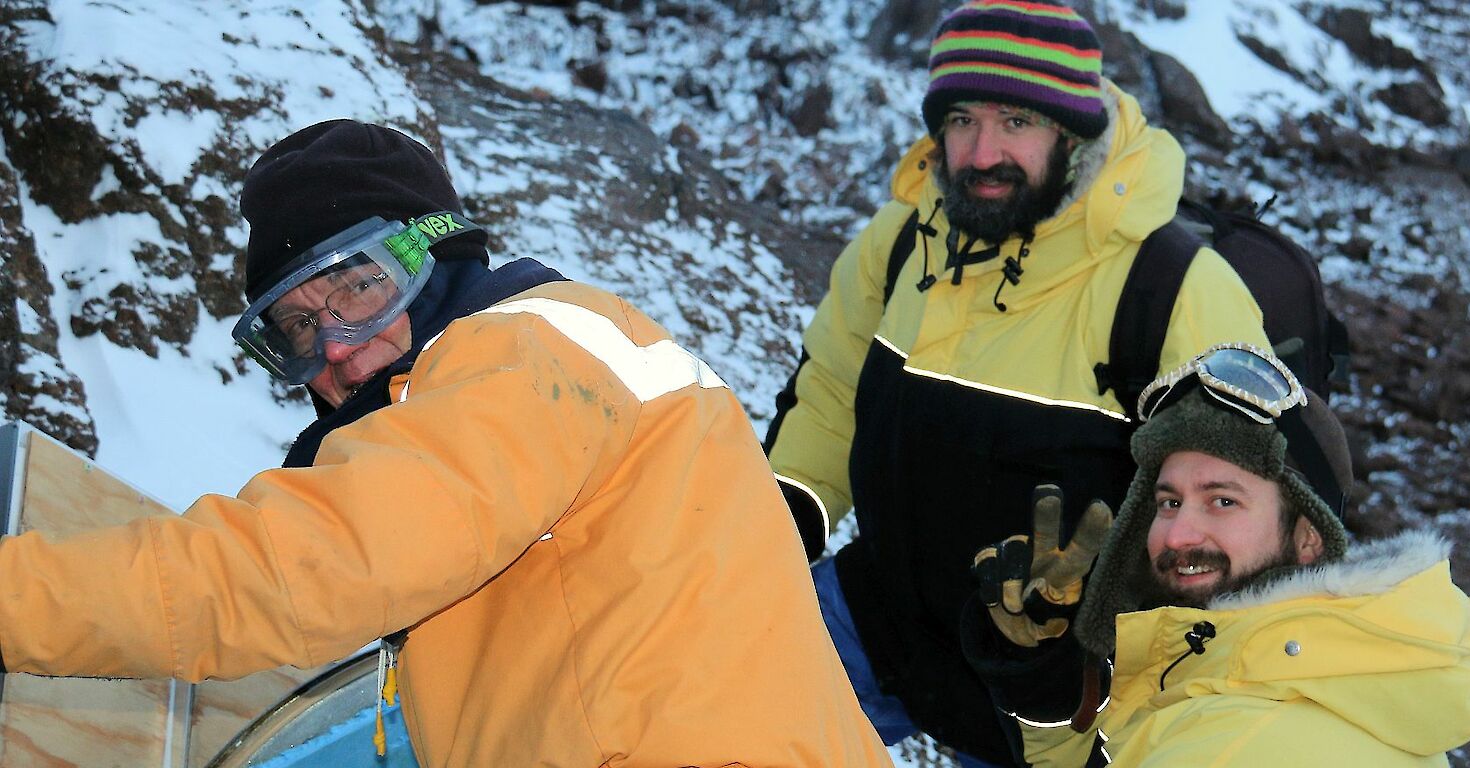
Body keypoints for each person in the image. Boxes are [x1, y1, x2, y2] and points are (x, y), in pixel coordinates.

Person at [0, 120, 890, 768]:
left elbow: (299, 567)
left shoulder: (520, 352)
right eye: (296, 331)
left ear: (440, 252)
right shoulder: (568, 366)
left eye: (358, 288)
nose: (337, 347)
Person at [761, 1, 1270, 763]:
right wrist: (789, 509)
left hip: (1041, 686)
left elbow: (1238, 528)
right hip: (881, 611)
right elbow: (833, 385)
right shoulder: (903, 239)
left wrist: (1080, 668)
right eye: (961, 119)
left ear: (1073, 133)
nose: (980, 152)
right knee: (710, 699)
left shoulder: (1172, 289)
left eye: (1015, 122)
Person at [964, 344, 1470, 766]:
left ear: (1308, 535)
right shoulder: (1364, 675)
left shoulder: (1225, 742)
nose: (1178, 534)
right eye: (1168, 501)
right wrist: (1047, 688)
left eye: (1223, 500)